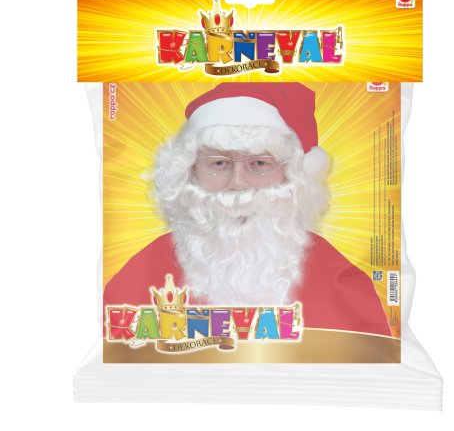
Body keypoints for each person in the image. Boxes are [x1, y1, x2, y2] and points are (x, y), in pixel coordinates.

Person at [104, 83, 391, 336]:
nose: (238, 183)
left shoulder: (340, 280)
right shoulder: (139, 275)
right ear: (189, 173)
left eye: (260, 164)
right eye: (218, 163)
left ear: (292, 176)